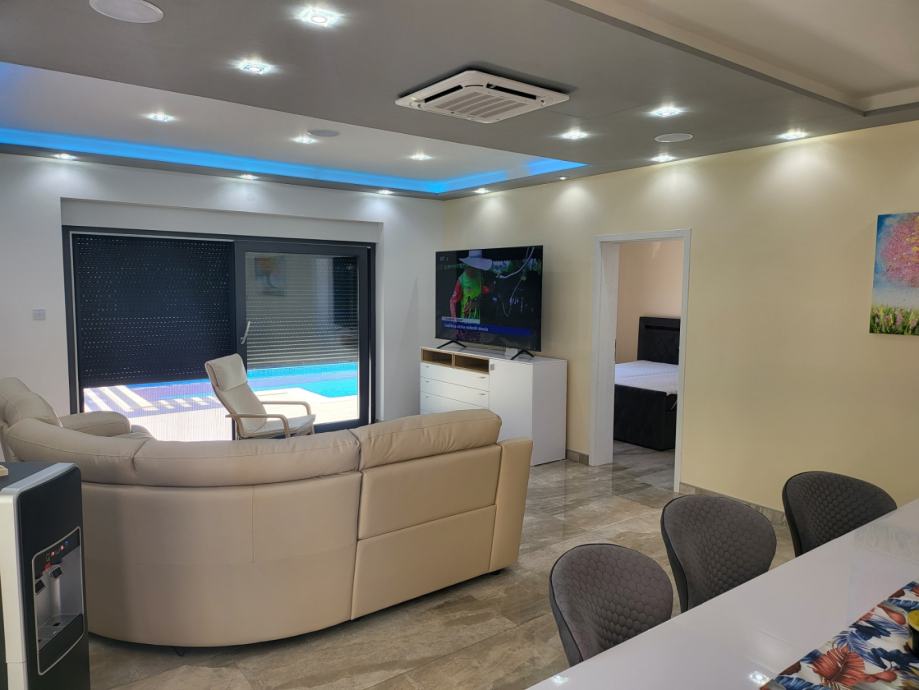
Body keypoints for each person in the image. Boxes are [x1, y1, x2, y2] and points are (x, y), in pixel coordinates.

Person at [449, 249, 492, 320]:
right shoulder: (461, 280)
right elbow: (452, 301)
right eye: (473, 265)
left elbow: (483, 291)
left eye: (477, 265)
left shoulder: (480, 275)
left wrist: (478, 301)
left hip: (478, 321)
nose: (476, 268)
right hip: (466, 321)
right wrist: (454, 321)